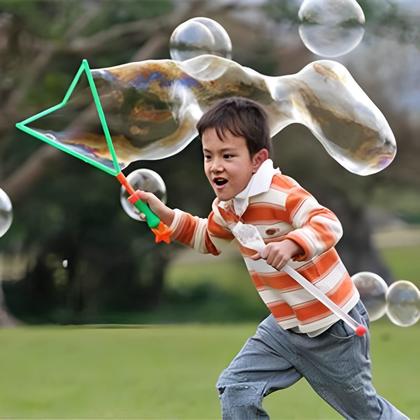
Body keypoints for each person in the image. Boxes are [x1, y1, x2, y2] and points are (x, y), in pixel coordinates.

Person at [135, 97, 408, 420]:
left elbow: (327, 223)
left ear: (257, 159)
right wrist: (167, 216)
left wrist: (292, 244)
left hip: (332, 326)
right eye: (208, 156)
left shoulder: (282, 193)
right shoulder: (227, 207)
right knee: (236, 388)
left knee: (366, 414)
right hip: (285, 327)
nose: (215, 166)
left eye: (227, 156)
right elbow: (207, 238)